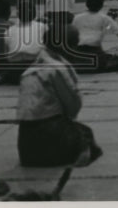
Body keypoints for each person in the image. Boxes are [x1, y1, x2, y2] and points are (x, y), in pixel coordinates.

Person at [16, 21, 103, 167]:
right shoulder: (57, 68)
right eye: (74, 44)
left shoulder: (36, 64)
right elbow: (73, 107)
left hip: (26, 144)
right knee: (85, 134)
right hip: (51, 136)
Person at [71, 0, 118, 73]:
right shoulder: (104, 18)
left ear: (87, 4)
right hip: (96, 59)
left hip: (78, 59)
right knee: (113, 58)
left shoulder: (76, 18)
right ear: (101, 5)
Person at [0, 1, 48, 84]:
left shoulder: (9, 30)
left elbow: (6, 54)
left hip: (15, 71)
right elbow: (48, 49)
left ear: (17, 14)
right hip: (34, 70)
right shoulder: (42, 27)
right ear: (34, 13)